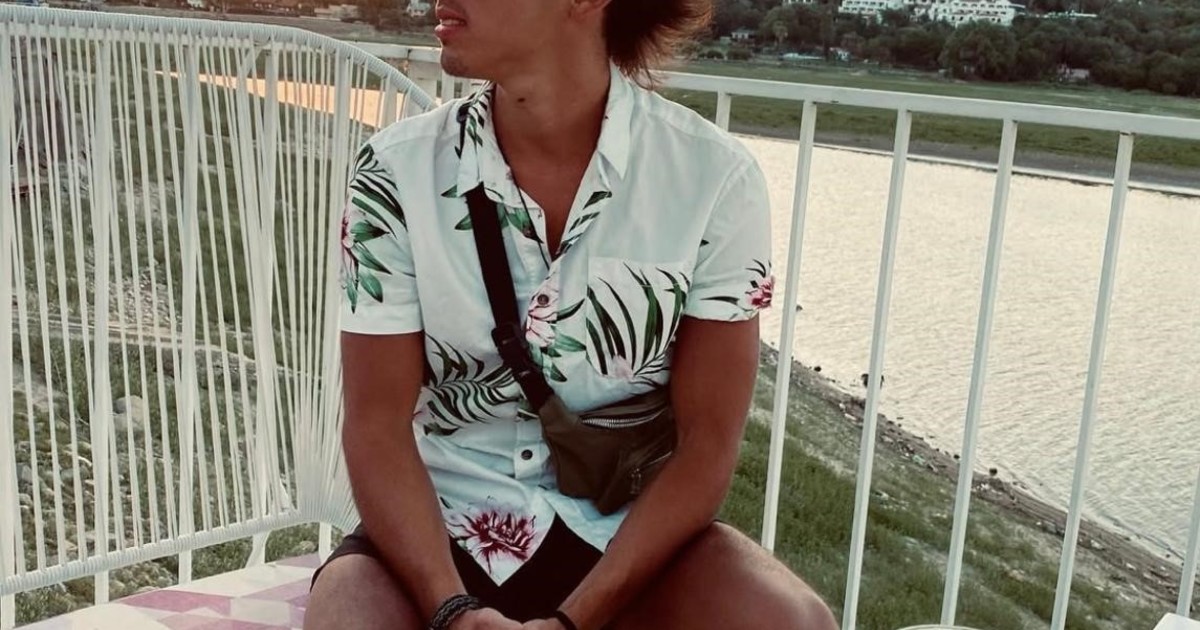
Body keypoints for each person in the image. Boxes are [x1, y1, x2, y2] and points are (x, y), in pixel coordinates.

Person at [304, 1, 839, 629]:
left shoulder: (712, 178)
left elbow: (708, 443)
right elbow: (376, 425)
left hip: (628, 540)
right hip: (439, 527)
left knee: (792, 621)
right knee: (346, 614)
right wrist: (451, 610)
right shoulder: (396, 169)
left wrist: (573, 621)